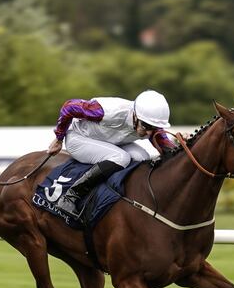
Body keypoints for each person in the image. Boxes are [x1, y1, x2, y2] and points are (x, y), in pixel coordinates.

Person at [47, 89, 178, 218]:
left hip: (110, 141)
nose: (150, 133)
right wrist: (59, 138)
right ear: (135, 115)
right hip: (79, 137)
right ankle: (71, 196)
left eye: (153, 128)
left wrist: (183, 146)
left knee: (142, 157)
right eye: (146, 127)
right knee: (121, 158)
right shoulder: (108, 111)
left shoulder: (148, 122)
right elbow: (69, 107)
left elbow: (168, 150)